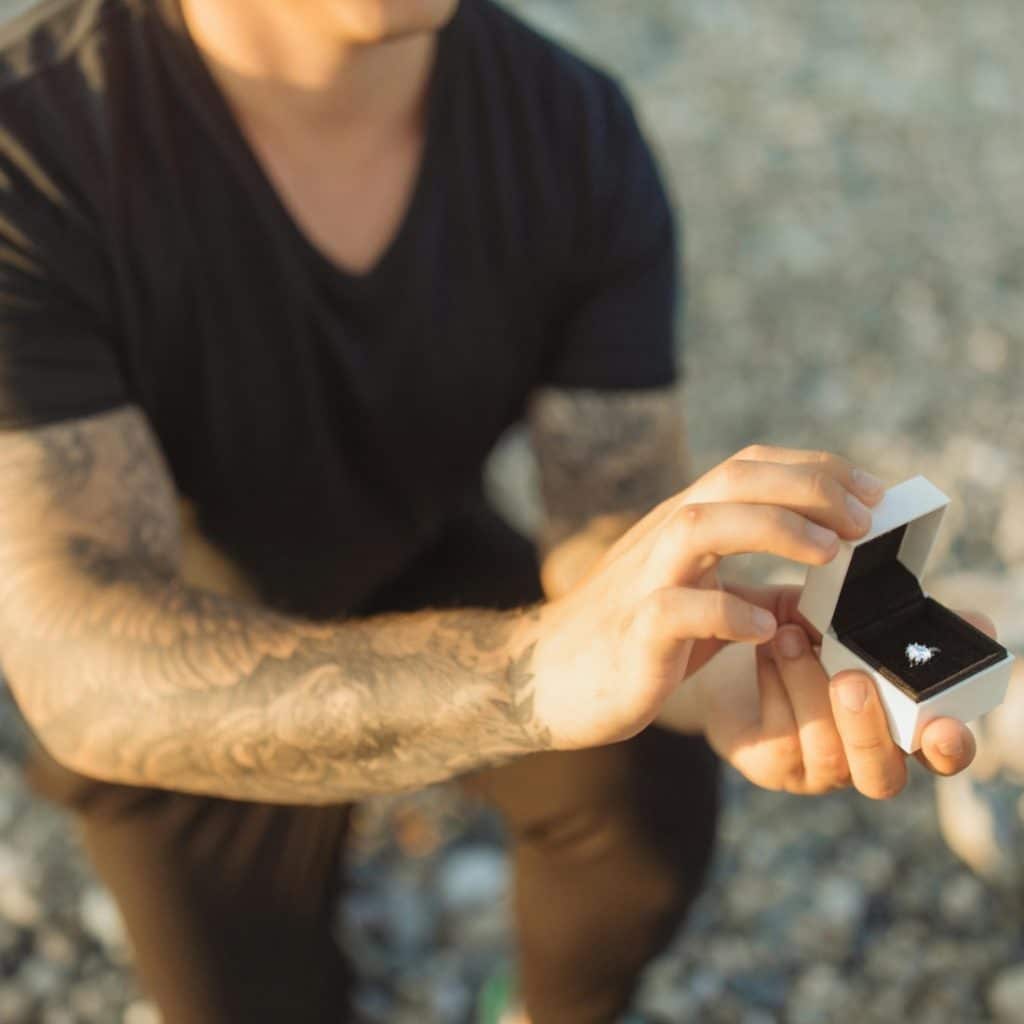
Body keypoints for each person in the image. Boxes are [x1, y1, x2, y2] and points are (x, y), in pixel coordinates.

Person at [0, 1, 986, 1021]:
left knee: (646, 821)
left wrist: (731, 640)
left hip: (425, 543)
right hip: (183, 633)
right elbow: (75, 664)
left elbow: (605, 508)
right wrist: (531, 673)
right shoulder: (34, 142)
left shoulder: (571, 129)